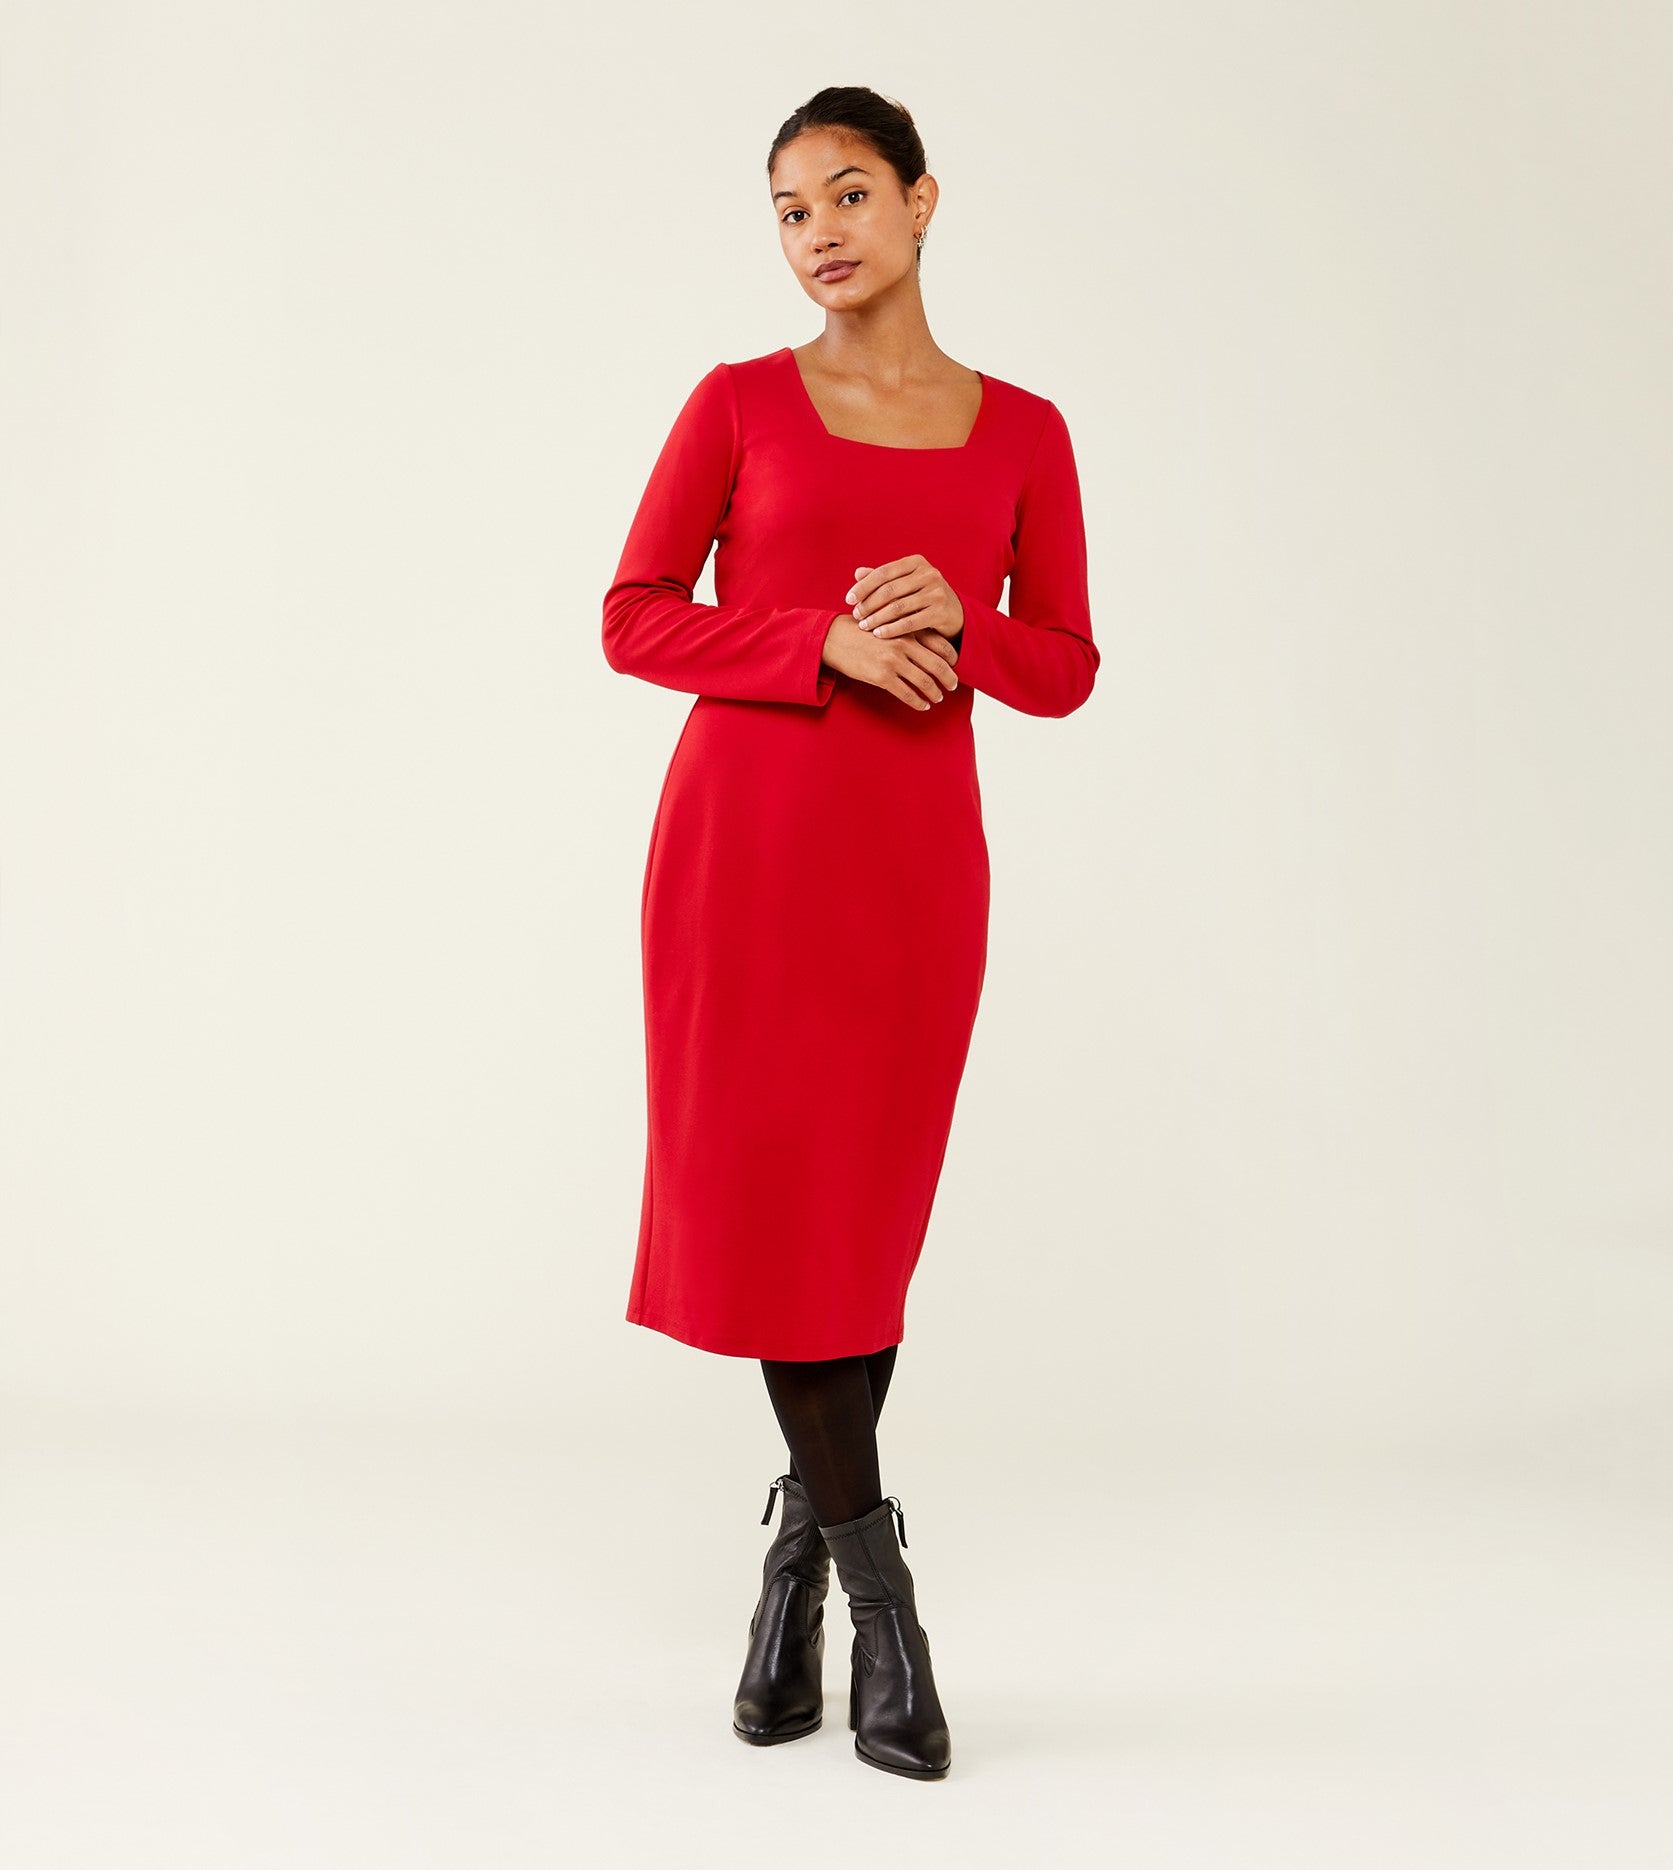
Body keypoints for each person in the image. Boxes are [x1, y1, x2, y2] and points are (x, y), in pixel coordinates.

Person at [602, 85, 1099, 1780]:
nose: (819, 231)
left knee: (860, 1226)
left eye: (849, 194)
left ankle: (797, 1559)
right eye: (790, 210)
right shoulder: (738, 402)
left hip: (910, 871)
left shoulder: (1024, 430)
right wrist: (811, 638)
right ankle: (880, 1603)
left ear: (922, 201)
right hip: (743, 857)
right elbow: (633, 616)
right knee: (776, 1215)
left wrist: (969, 621)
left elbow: (1065, 664)